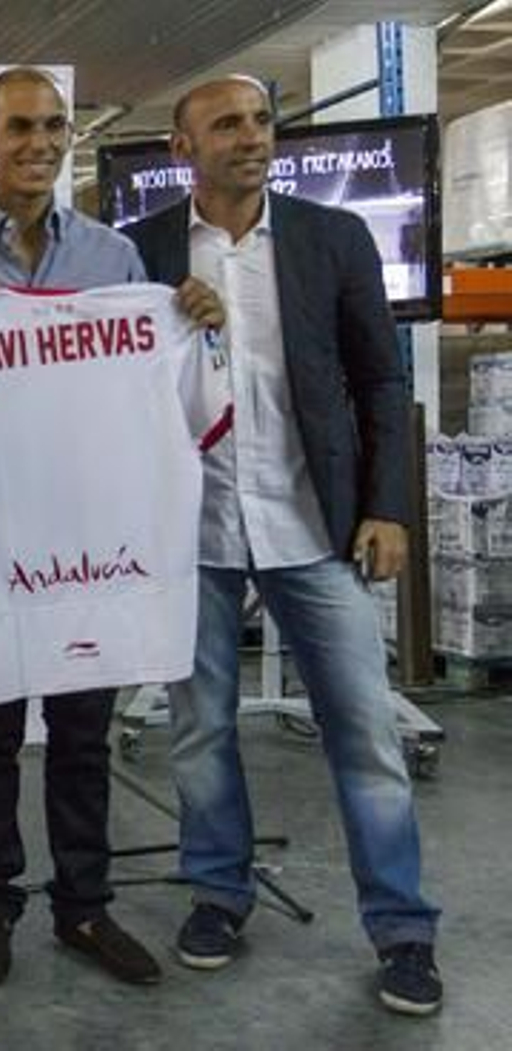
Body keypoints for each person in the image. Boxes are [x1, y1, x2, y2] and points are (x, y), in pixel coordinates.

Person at [123, 75, 443, 1016]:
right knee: (199, 730)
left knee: (367, 732)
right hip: (197, 532)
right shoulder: (138, 253)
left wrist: (388, 507)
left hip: (314, 526)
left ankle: (403, 927)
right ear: (183, 147)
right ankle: (219, 891)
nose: (252, 138)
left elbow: (382, 381)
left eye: (261, 122)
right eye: (227, 124)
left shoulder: (330, 238)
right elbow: (109, 384)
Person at [0, 65, 223, 991]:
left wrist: (193, 320)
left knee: (84, 730)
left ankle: (85, 907)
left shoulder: (116, 262)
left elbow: (148, 383)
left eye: (54, 127)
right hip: (3, 538)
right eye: (20, 128)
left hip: (92, 538)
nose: (40, 143)